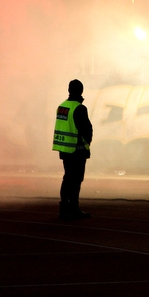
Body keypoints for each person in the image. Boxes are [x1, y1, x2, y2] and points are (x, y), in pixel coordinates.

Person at [52, 79, 93, 220]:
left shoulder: (62, 106)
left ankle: (64, 208)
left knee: (67, 177)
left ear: (69, 90)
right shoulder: (80, 108)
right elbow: (86, 130)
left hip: (64, 148)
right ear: (81, 91)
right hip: (77, 149)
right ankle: (74, 208)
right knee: (76, 180)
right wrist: (87, 143)